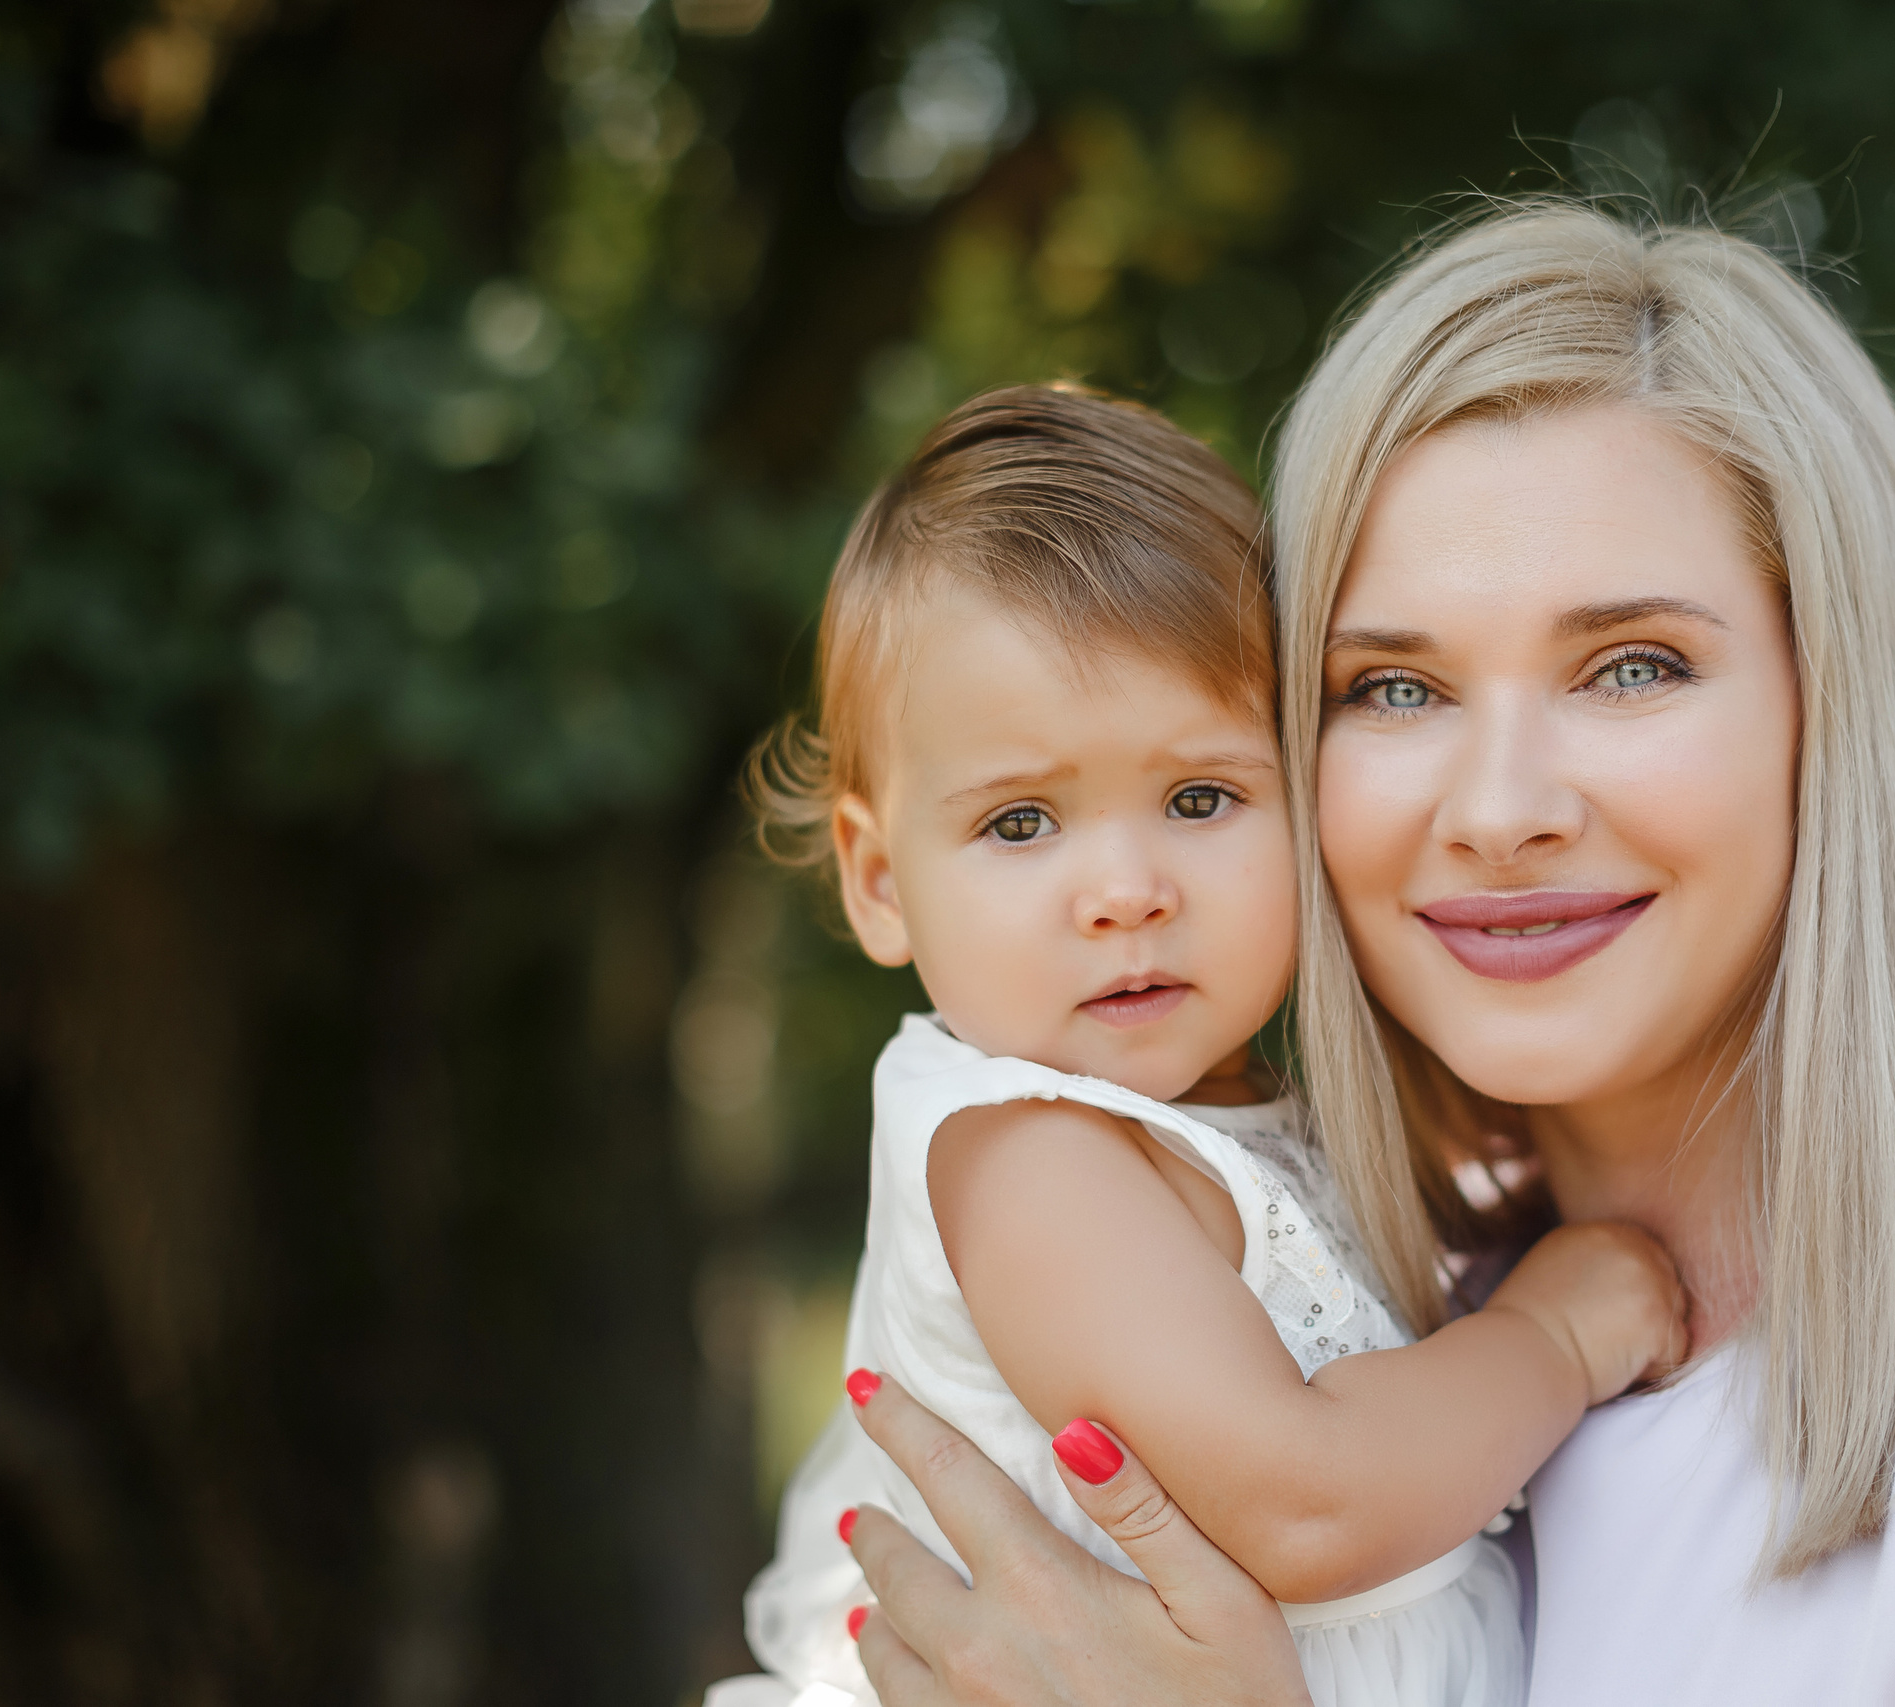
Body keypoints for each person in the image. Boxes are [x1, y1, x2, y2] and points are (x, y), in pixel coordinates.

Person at [824, 208, 1895, 1706]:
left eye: (1631, 667)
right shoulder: (1366, 1340)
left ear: (1834, 712)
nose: (1502, 811)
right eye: (1392, 689)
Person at [709, 384, 1688, 1707]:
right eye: (1019, 824)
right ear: (879, 884)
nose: (1125, 888)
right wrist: (1558, 1338)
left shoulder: (1264, 1112)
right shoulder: (1026, 1162)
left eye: (1199, 796)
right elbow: (1310, 1510)